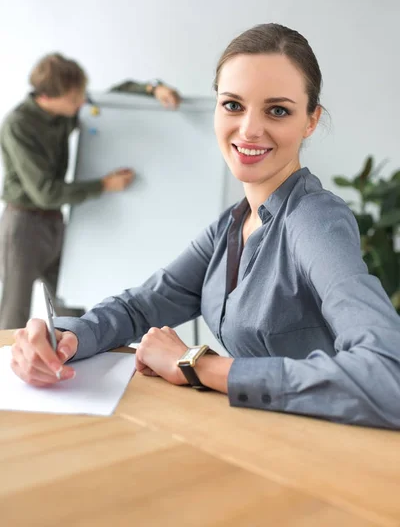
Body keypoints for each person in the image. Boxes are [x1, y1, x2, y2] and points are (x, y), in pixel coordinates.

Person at [9, 25, 400, 429]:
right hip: (251, 436)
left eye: (277, 110)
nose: (249, 129)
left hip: (323, 453)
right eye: (233, 105)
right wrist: (66, 338)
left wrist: (197, 366)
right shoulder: (231, 225)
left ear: (311, 121)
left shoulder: (313, 221)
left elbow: (390, 375)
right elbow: (140, 306)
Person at [0, 53, 180, 330]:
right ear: (48, 97)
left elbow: (111, 98)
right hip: (24, 226)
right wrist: (104, 185)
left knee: (69, 304)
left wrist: (152, 88)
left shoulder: (64, 112)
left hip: (54, 223)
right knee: (14, 311)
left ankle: (74, 359)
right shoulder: (19, 125)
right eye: (74, 98)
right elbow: (45, 192)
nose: (81, 102)